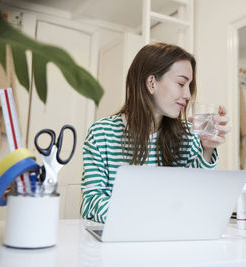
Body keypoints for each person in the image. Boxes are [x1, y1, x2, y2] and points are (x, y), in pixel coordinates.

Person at [80, 42, 231, 223]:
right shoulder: (101, 134)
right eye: (181, 83)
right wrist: (149, 214)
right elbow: (90, 203)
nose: (188, 95)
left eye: (189, 86)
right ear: (151, 82)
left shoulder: (188, 135)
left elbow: (196, 196)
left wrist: (207, 150)